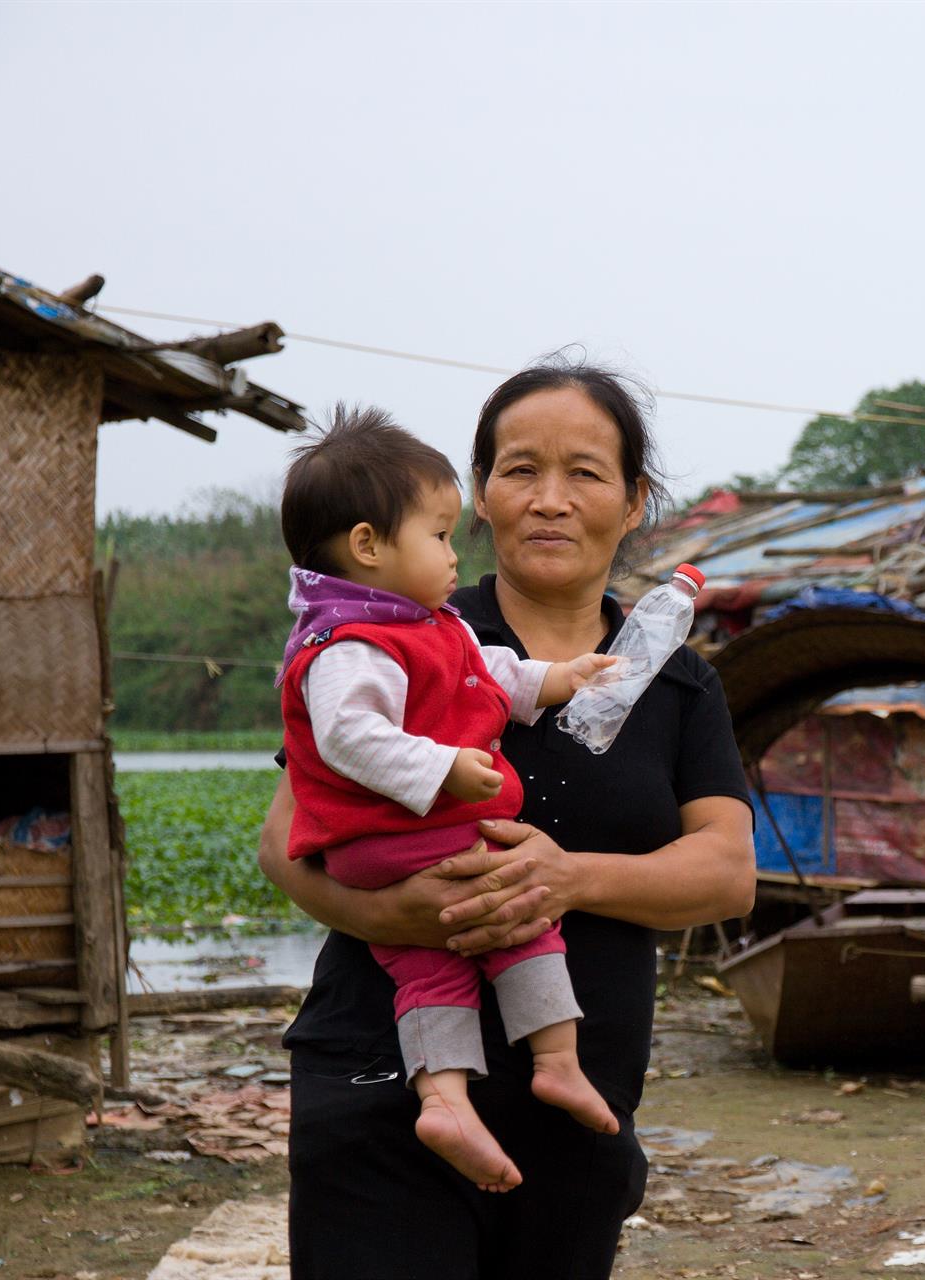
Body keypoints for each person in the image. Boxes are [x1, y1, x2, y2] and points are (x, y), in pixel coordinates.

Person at [258, 360, 755, 1280]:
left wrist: (566, 877)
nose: (549, 500)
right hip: (383, 1091)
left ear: (635, 502)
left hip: (577, 1102)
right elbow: (285, 843)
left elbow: (727, 874)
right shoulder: (398, 632)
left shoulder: (675, 679)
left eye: (585, 472)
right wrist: (391, 915)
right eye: (521, 470)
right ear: (481, 494)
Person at [274, 408, 620, 1194]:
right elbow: (349, 736)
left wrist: (561, 678)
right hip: (402, 832)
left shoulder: (422, 626)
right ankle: (557, 1060)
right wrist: (442, 770)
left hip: (386, 850)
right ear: (368, 545)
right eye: (437, 535)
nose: (453, 554)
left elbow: (490, 671)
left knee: (429, 968)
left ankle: (445, 1102)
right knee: (521, 913)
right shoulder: (349, 643)